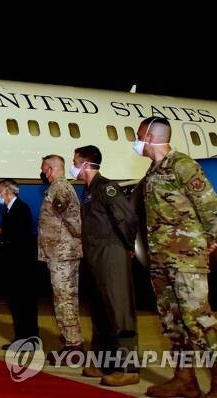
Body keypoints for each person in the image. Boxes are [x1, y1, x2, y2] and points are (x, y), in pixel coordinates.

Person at [134, 117, 217, 397]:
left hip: (187, 260)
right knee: (172, 322)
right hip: (161, 261)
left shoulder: (182, 165)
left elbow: (211, 207)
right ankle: (185, 380)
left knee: (199, 321)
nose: (136, 141)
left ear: (152, 136)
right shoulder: (153, 172)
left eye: (139, 135)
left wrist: (211, 240)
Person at [71, 145, 139, 386]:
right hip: (94, 255)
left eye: (75, 162)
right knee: (100, 312)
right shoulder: (88, 191)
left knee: (119, 311)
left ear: (86, 164)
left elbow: (126, 217)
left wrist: (129, 246)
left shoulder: (106, 187)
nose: (74, 167)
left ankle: (128, 369)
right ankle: (104, 364)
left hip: (111, 253)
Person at [37, 155, 84, 364]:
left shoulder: (59, 188)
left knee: (65, 299)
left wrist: (71, 241)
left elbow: (73, 218)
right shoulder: (56, 188)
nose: (42, 173)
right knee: (65, 299)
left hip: (62, 254)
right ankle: (71, 341)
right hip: (60, 253)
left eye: (44, 169)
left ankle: (74, 346)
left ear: (50, 169)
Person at [0, 178, 39, 350]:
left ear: (8, 191)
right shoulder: (8, 210)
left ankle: (30, 340)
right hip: (13, 265)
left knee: (24, 304)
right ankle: (21, 339)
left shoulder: (21, 208)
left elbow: (20, 234)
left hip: (22, 266)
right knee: (16, 304)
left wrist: (1, 232)